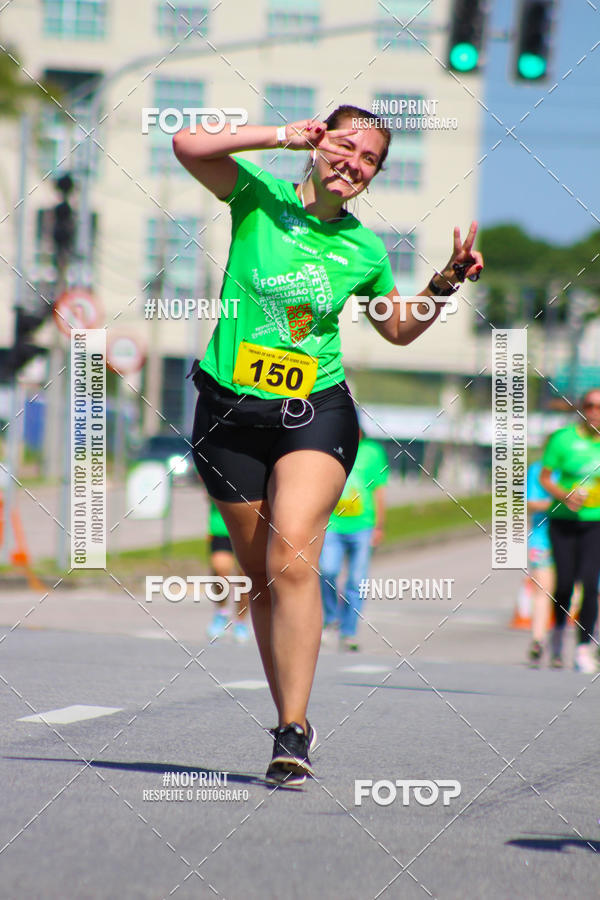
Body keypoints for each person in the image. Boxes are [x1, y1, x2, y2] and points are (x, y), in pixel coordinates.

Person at [173, 106, 483, 785]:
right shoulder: (258, 196)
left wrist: (443, 284)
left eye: (369, 158)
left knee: (291, 558)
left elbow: (396, 330)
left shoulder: (365, 251)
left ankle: (292, 728)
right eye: (346, 145)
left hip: (316, 410)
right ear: (319, 144)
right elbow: (188, 144)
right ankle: (291, 714)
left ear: (373, 177)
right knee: (260, 578)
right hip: (228, 411)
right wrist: (280, 133)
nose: (354, 162)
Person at [540, 388, 600, 673]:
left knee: (589, 584)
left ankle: (583, 647)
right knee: (564, 583)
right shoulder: (563, 439)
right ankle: (557, 636)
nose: (595, 413)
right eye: (590, 406)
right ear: (582, 409)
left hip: (595, 522)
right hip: (563, 520)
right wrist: (563, 495)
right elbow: (544, 477)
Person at [319, 427, 388, 651]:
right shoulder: (329, 447)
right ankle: (332, 618)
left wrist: (379, 525)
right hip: (333, 525)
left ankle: (349, 631)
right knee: (327, 570)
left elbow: (379, 490)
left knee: (356, 581)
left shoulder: (372, 451)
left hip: (363, 526)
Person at [206, 500, 251, 644]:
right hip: (221, 525)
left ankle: (240, 621)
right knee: (220, 568)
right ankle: (221, 611)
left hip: (248, 526)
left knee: (245, 575)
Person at [525, 456, 555, 666]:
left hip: (582, 537)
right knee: (542, 590)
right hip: (543, 539)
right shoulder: (538, 469)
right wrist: (560, 502)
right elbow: (529, 503)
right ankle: (538, 640)